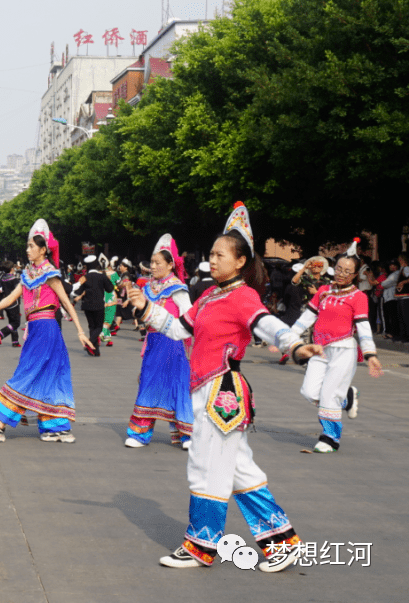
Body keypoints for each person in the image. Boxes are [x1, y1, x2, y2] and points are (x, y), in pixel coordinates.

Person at [128, 202, 322, 572]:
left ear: (240, 261)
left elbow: (267, 325)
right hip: (206, 388)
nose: (212, 260)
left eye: (219, 255)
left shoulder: (242, 296)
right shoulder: (208, 296)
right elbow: (178, 329)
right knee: (237, 469)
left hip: (222, 391)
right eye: (211, 254)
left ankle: (202, 545)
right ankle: (283, 542)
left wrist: (295, 347)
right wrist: (146, 307)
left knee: (207, 467)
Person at [0, 220, 91, 443]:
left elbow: (67, 303)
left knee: (27, 374)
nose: (27, 249)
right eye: (27, 246)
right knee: (47, 375)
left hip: (47, 328)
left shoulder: (50, 273)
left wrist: (79, 331)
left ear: (43, 249)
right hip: (36, 329)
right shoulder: (28, 273)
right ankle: (54, 426)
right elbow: (14, 296)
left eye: (31, 246)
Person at [289, 240, 383, 453]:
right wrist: (289, 338)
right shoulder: (323, 291)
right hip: (320, 349)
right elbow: (307, 317)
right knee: (309, 391)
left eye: (347, 271)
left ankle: (330, 438)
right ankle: (347, 396)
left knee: (330, 395)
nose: (341, 274)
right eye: (339, 269)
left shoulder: (358, 297)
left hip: (343, 351)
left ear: (355, 275)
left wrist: (370, 354)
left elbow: (363, 326)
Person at [124, 234, 194, 450]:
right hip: (153, 342)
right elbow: (140, 311)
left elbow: (190, 315)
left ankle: (187, 434)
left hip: (173, 343)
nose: (152, 267)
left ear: (171, 265)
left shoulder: (177, 288)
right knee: (148, 383)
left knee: (177, 385)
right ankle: (140, 431)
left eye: (157, 263)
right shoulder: (149, 287)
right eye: (151, 262)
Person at [74, 255, 113, 357]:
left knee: (92, 327)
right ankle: (89, 342)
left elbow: (78, 291)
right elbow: (110, 289)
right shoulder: (102, 276)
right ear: (97, 265)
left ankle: (95, 350)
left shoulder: (85, 277)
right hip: (99, 305)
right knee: (99, 327)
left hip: (87, 306)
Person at [0, 261, 22, 347]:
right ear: (11, 269)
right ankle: (1, 333)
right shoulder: (13, 279)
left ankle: (15, 341)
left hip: (5, 303)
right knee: (16, 323)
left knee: (11, 322)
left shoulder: (2, 278)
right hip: (13, 303)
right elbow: (18, 292)